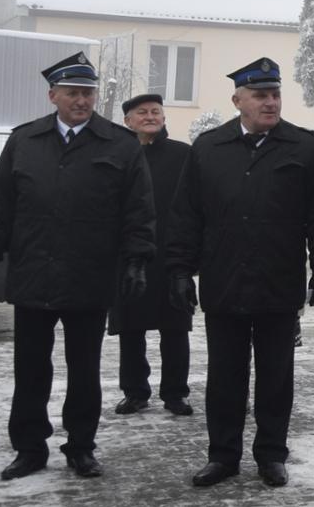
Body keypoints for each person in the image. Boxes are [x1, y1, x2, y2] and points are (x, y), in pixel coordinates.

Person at [0, 52, 154, 480]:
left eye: (87, 93)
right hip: (34, 272)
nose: (81, 101)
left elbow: (139, 211)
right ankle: (30, 447)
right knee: (31, 367)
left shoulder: (119, 144)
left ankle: (81, 446)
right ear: (53, 95)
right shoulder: (24, 141)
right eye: (72, 93)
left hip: (89, 274)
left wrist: (137, 259)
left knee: (85, 369)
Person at [166, 58, 314, 489]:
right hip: (224, 282)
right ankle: (222, 456)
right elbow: (186, 216)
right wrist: (179, 270)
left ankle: (271, 455)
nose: (270, 102)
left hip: (277, 285)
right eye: (260, 95)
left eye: (275, 94)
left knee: (275, 378)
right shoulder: (209, 149)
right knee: (224, 378)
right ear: (238, 100)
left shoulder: (302, 148)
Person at [108, 93, 195, 417]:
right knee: (131, 328)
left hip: (172, 254)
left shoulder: (183, 155)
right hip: (128, 256)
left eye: (155, 111)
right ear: (128, 121)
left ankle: (175, 393)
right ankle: (135, 392)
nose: (150, 116)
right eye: (141, 112)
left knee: (175, 327)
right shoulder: (116, 155)